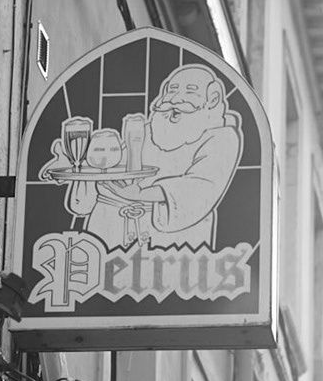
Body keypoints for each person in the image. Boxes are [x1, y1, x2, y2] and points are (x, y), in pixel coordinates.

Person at [97, 64, 241, 248]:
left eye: (190, 90)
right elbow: (116, 166)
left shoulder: (222, 137)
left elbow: (201, 186)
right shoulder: (149, 129)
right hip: (112, 227)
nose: (176, 98)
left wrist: (141, 194)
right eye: (173, 89)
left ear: (212, 99)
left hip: (172, 240)